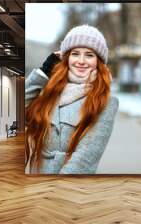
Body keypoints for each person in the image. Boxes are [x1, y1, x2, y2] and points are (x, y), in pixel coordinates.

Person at [25, 24, 119, 174]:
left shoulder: (105, 101)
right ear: (66, 58)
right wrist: (43, 72)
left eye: (89, 55)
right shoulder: (50, 90)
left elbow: (85, 158)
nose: (81, 61)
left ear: (98, 62)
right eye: (75, 53)